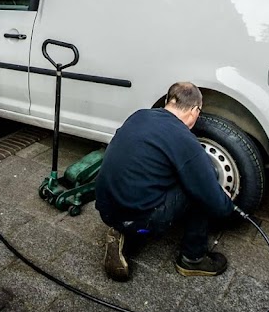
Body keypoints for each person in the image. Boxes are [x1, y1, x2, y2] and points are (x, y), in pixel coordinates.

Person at [95, 82, 236, 282]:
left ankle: (123, 230)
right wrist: (224, 201)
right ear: (195, 110)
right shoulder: (184, 139)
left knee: (155, 173)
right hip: (141, 218)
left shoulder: (140, 115)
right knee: (205, 180)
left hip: (106, 208)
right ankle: (192, 259)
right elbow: (215, 202)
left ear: (169, 101)